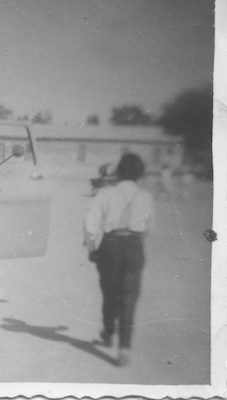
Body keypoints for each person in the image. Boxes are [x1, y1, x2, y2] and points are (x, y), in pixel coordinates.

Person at [84, 153, 155, 366]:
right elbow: (149, 228)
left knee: (108, 290)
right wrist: (134, 242)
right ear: (140, 173)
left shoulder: (105, 194)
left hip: (110, 246)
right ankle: (124, 347)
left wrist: (91, 248)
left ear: (120, 171)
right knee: (129, 297)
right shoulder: (146, 196)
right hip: (134, 246)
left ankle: (108, 330)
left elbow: (91, 224)